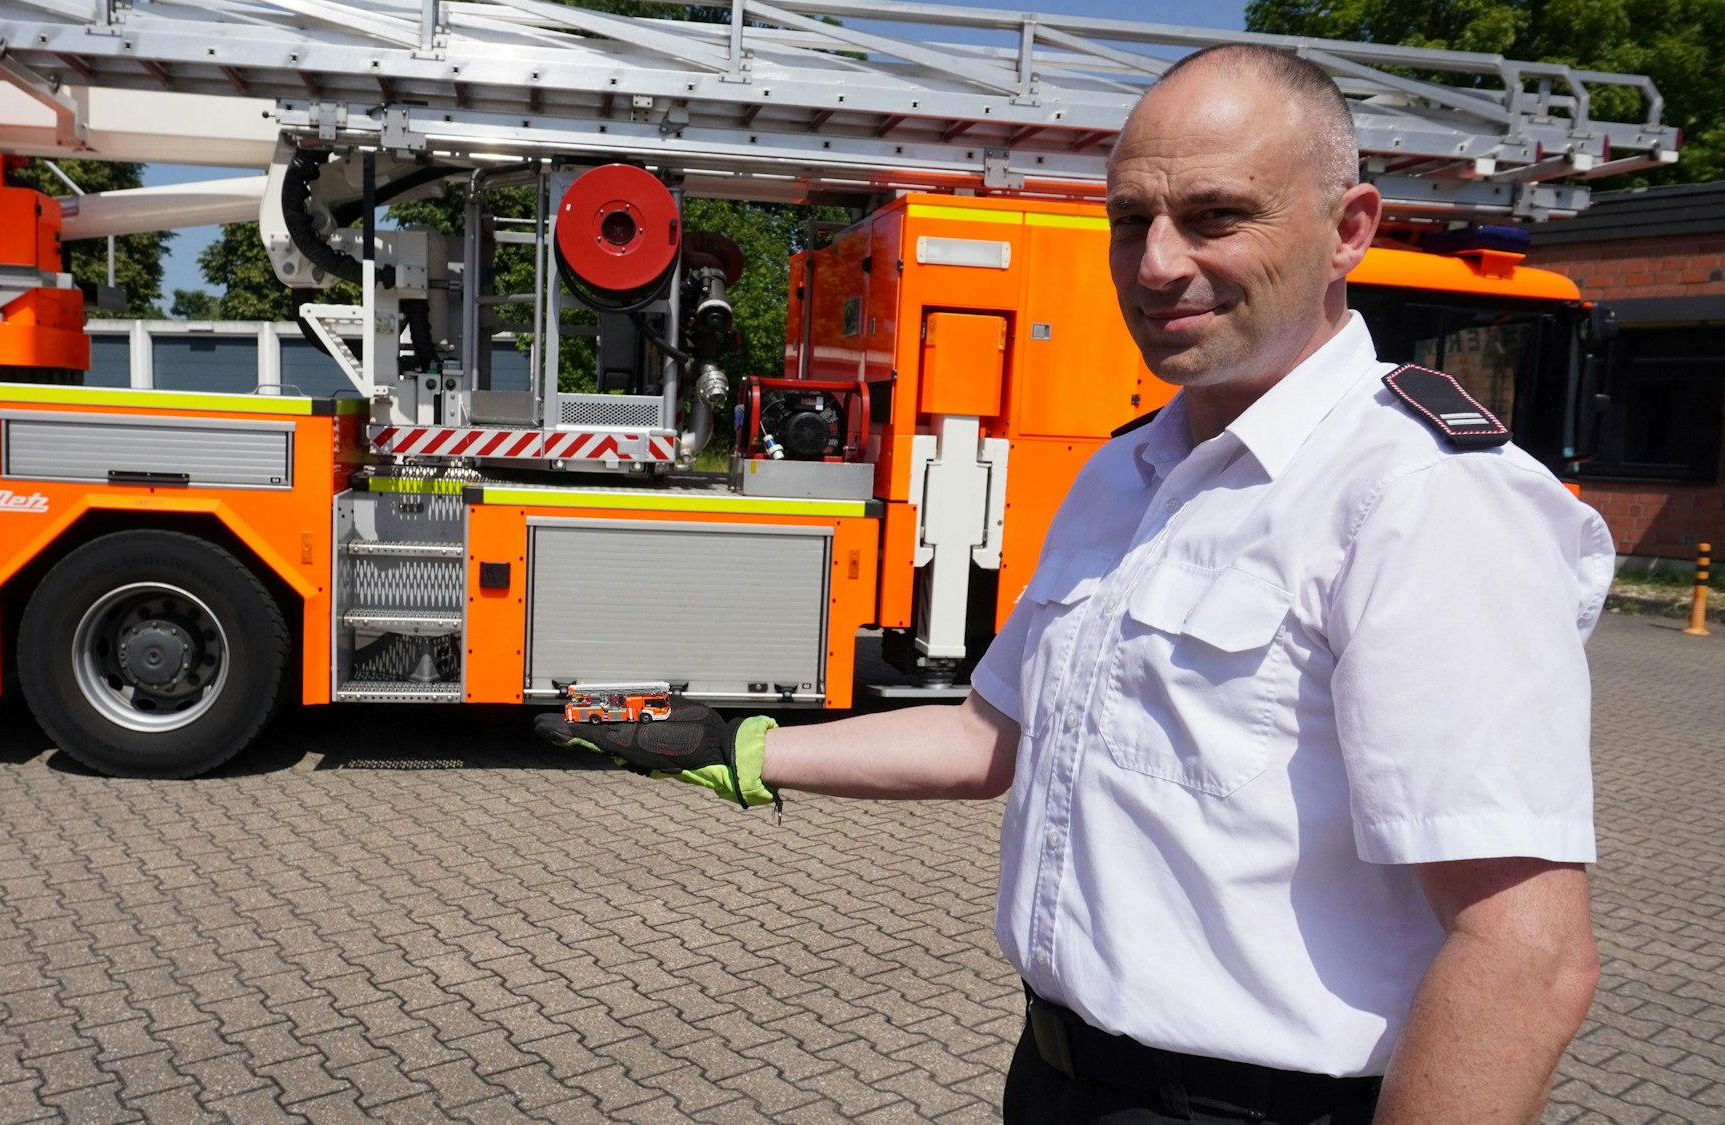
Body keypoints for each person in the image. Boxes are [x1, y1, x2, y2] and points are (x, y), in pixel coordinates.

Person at [538, 43, 1610, 1125]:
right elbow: (990, 736)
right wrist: (739, 743)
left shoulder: (1423, 498)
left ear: (1348, 231)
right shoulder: (1125, 470)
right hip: (1059, 1078)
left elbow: (1521, 955)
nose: (1154, 264)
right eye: (1127, 220)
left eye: (1213, 216)